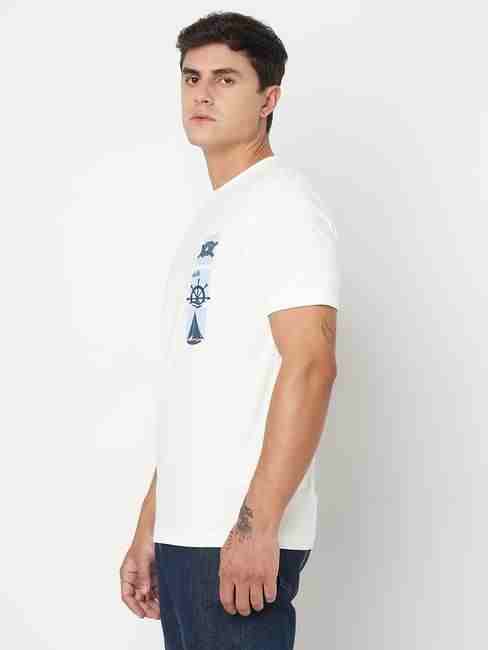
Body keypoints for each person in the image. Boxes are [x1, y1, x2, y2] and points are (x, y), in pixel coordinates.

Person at [119, 10, 340, 649]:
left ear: (269, 99)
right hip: (187, 536)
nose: (202, 94)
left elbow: (311, 364)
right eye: (191, 78)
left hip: (237, 537)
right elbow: (198, 392)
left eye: (225, 79)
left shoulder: (284, 206)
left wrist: (257, 524)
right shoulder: (214, 218)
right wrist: (152, 522)